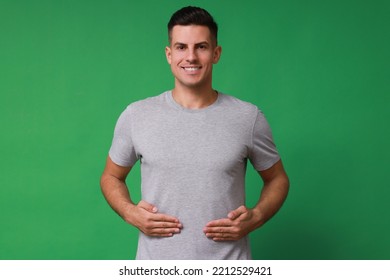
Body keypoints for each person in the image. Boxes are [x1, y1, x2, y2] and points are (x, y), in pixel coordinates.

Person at [100, 6, 289, 260]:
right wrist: (129, 212)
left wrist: (256, 216)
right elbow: (111, 176)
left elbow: (277, 179)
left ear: (216, 53)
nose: (191, 57)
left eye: (201, 46)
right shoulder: (137, 115)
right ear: (169, 54)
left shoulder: (247, 117)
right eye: (181, 47)